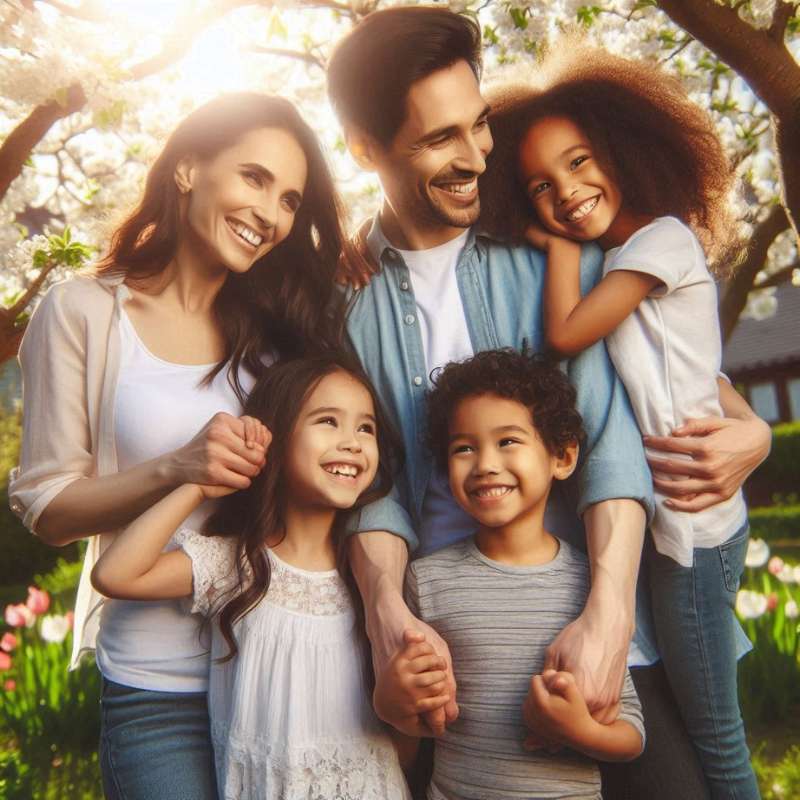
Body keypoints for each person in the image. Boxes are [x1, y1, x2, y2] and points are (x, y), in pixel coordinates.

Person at [326, 7, 771, 798]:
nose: (477, 157)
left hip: (593, 620)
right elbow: (373, 483)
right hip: (448, 642)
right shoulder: (346, 301)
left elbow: (615, 432)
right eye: (440, 139)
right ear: (365, 150)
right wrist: (387, 615)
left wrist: (608, 618)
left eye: (479, 124)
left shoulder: (552, 255)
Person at [9, 93, 351, 800]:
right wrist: (177, 467)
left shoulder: (287, 330)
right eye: (254, 178)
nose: (271, 213)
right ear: (188, 168)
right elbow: (48, 509)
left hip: (282, 673)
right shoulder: (84, 312)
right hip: (159, 688)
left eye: (290, 200)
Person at [478, 46, 761, 799]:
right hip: (677, 526)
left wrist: (559, 248)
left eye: (579, 162)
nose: (567, 192)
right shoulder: (625, 259)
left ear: (622, 149)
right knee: (698, 733)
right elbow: (705, 374)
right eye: (541, 186)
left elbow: (565, 333)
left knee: (716, 740)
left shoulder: (659, 242)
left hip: (695, 532)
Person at [91, 355, 412, 800]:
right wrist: (198, 485)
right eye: (328, 421)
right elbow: (115, 575)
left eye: (366, 428)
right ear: (274, 440)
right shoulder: (239, 566)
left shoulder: (370, 575)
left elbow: (405, 737)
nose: (353, 443)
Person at [387, 349, 645, 799]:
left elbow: (632, 737)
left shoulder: (593, 591)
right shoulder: (426, 581)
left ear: (562, 457)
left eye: (507, 441)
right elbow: (406, 746)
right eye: (464, 448)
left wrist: (579, 730)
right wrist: (392, 703)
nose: (485, 463)